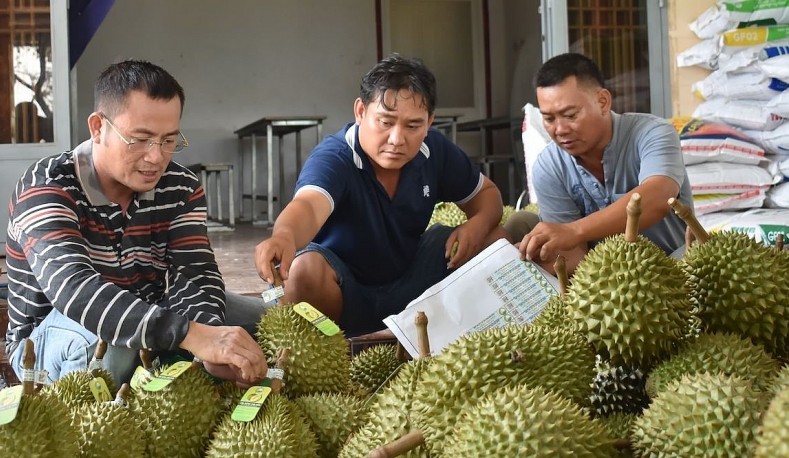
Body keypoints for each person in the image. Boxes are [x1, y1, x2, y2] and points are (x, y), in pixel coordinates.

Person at [5, 60, 267, 386]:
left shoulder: (180, 187)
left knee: (267, 322)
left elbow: (194, 273)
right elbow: (75, 291)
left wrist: (211, 338)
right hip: (51, 334)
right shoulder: (46, 186)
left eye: (169, 140)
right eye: (140, 139)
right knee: (108, 346)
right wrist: (188, 334)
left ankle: (174, 361)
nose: (156, 157)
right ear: (98, 127)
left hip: (150, 309)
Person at [254, 54, 507, 337]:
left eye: (413, 126)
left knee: (496, 241)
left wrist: (478, 224)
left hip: (412, 283)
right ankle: (343, 346)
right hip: (344, 291)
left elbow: (487, 193)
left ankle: (452, 334)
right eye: (385, 122)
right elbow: (309, 206)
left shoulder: (434, 150)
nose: (397, 139)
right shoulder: (335, 157)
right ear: (360, 111)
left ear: (429, 122)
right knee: (303, 272)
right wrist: (284, 236)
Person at [513, 53, 692, 274]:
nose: (559, 130)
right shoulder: (549, 166)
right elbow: (574, 256)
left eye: (570, 115)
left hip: (674, 271)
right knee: (519, 224)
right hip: (606, 282)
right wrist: (526, 259)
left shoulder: (652, 133)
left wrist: (575, 230)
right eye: (549, 119)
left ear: (603, 102)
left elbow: (658, 197)